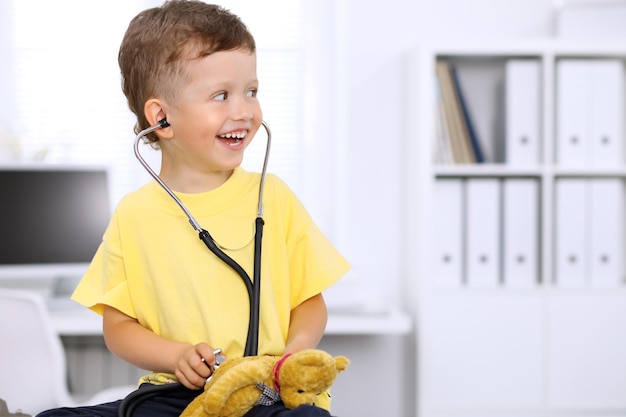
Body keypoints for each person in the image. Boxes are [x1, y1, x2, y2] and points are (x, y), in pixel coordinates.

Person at [36, 1, 350, 416]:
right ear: (161, 118)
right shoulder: (135, 215)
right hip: (173, 395)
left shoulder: (272, 196)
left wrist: (292, 356)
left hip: (265, 394)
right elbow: (118, 328)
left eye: (251, 92)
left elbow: (309, 301)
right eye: (221, 95)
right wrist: (175, 356)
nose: (244, 110)